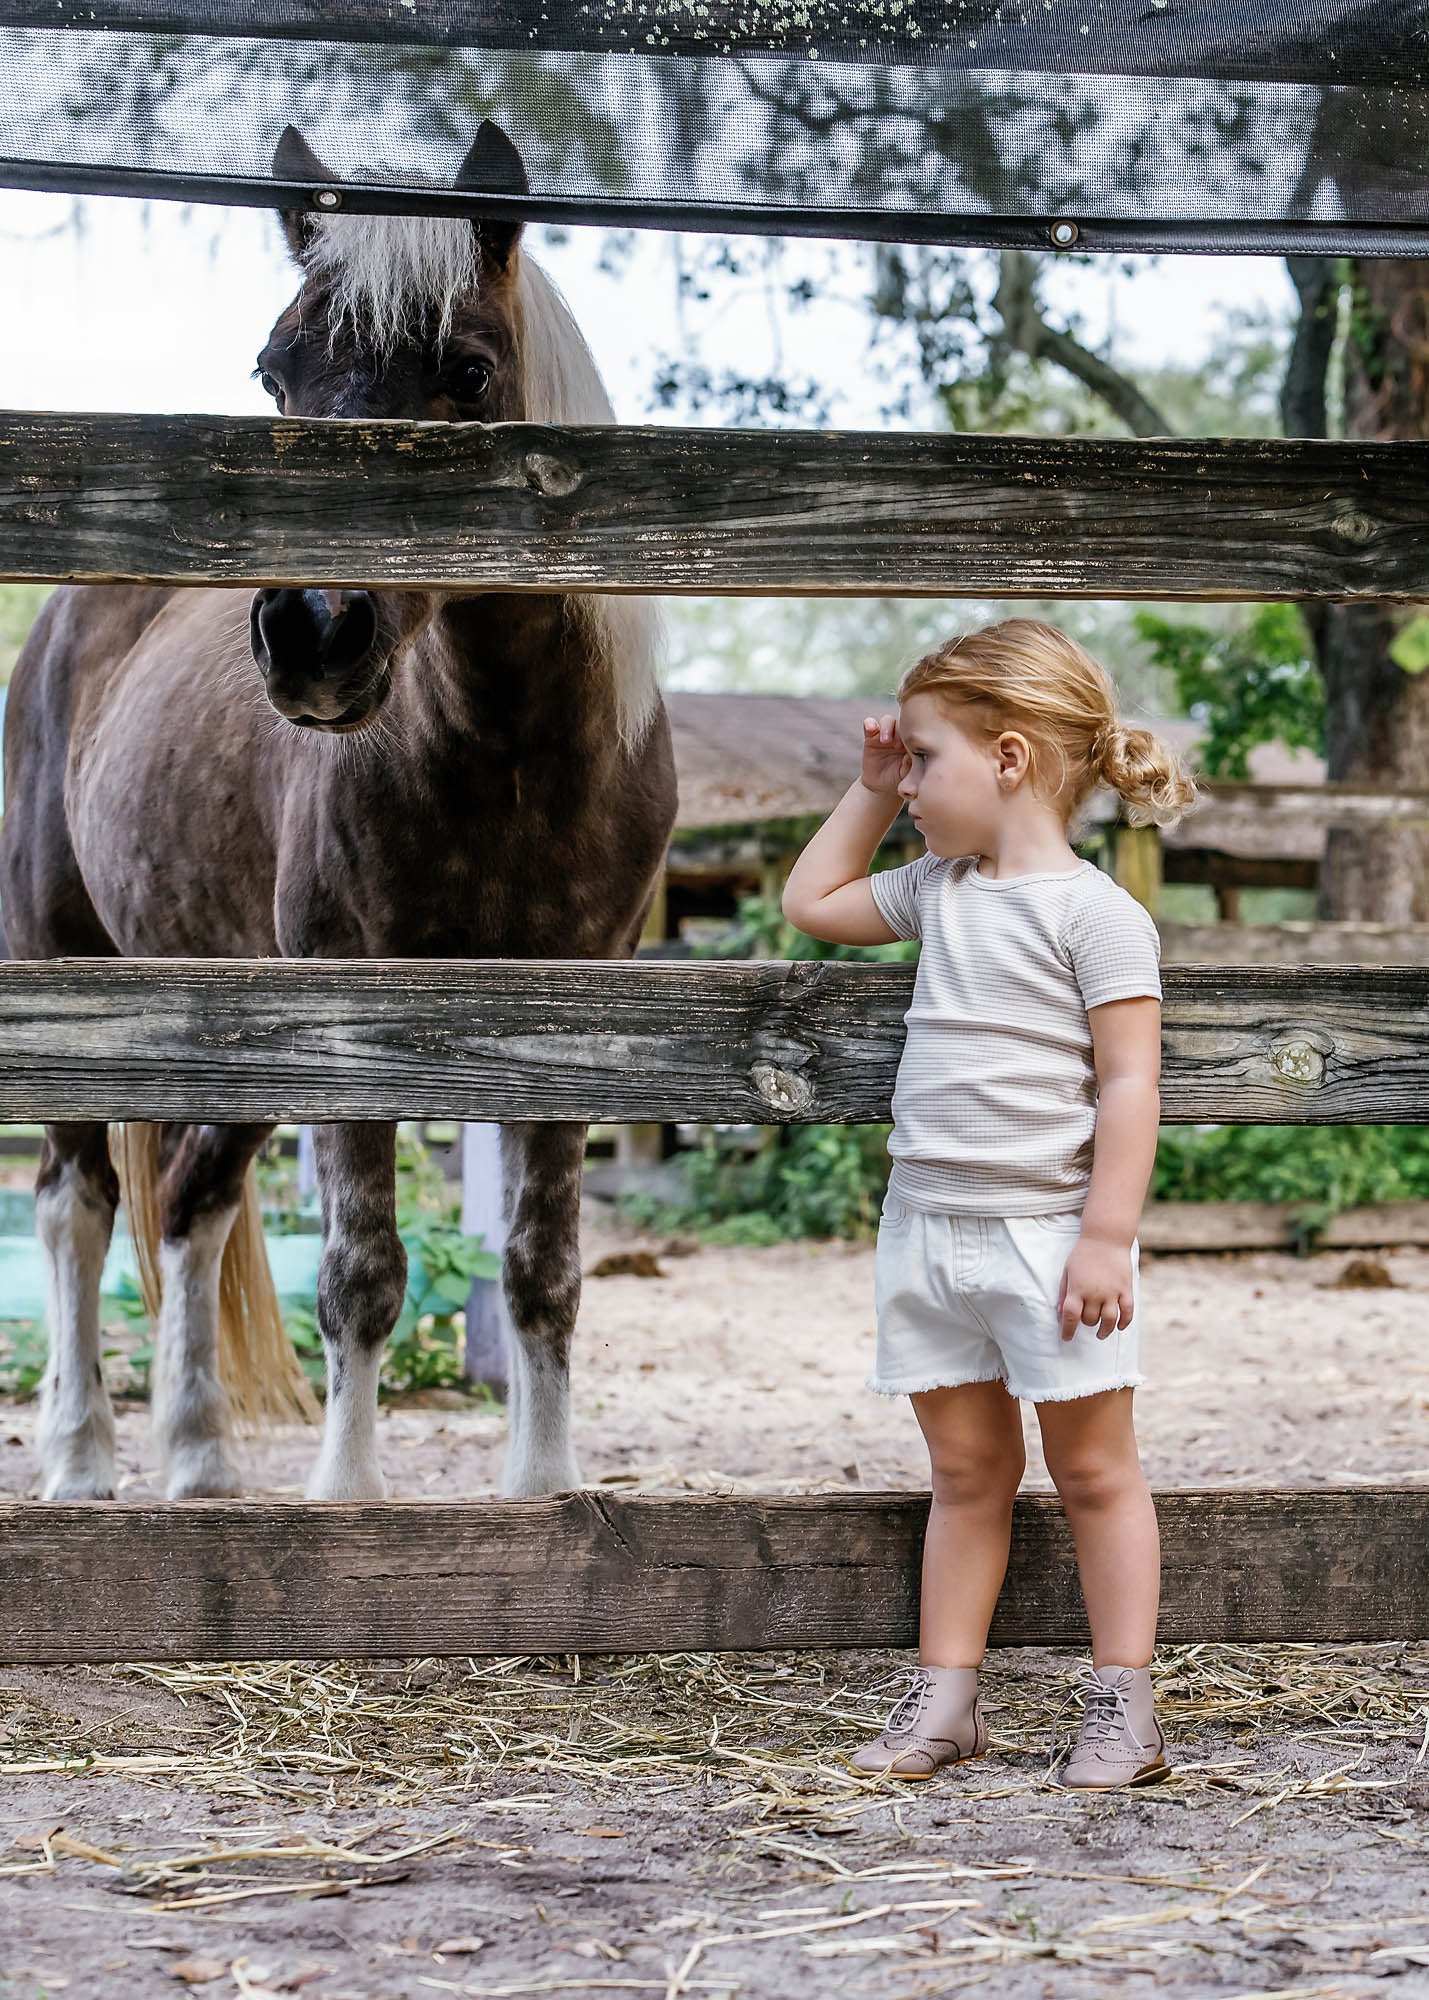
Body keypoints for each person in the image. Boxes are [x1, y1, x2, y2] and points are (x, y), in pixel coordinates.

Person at [781, 618, 1199, 1789]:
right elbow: (812, 900)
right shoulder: (936, 890)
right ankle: (947, 1698)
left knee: (1096, 1471)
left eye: (922, 759)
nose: (910, 783)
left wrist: (1107, 1235)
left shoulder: (1097, 915)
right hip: (926, 1229)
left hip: (1046, 1238)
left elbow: (1129, 1082)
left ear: (1008, 758)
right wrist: (865, 794)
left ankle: (1122, 1699)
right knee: (965, 1471)